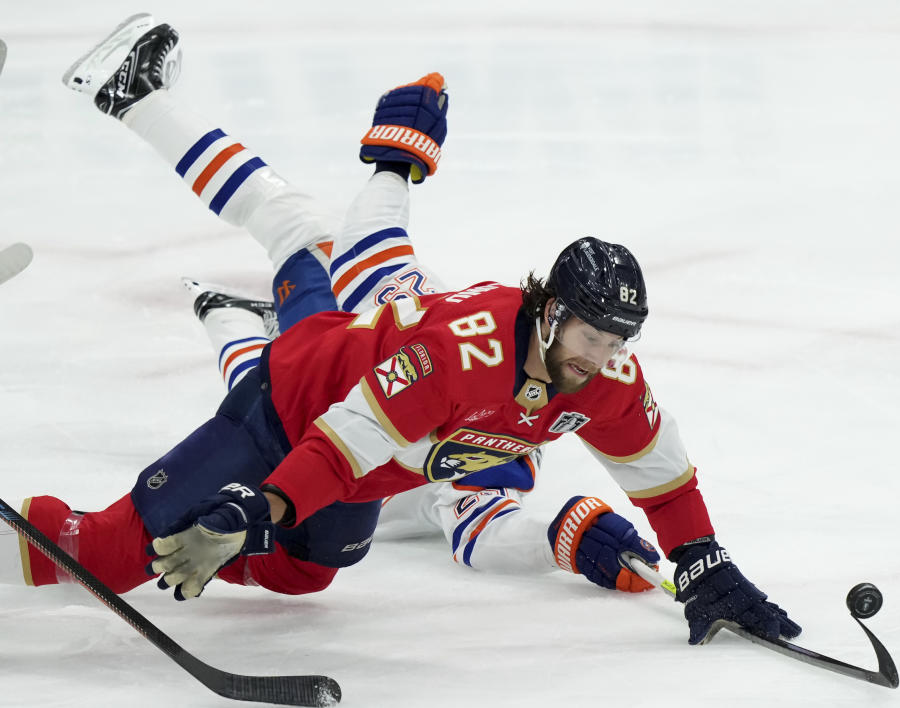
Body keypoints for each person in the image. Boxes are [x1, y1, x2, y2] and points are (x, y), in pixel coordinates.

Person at [2, 14, 801, 647]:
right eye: (591, 335)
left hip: (344, 367)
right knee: (107, 551)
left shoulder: (602, 381)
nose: (603, 358)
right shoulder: (458, 354)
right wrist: (260, 506)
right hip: (298, 405)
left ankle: (226, 311)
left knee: (309, 575)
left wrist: (701, 558)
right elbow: (345, 440)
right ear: (550, 311)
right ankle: (143, 114)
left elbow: (661, 474)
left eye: (618, 340)